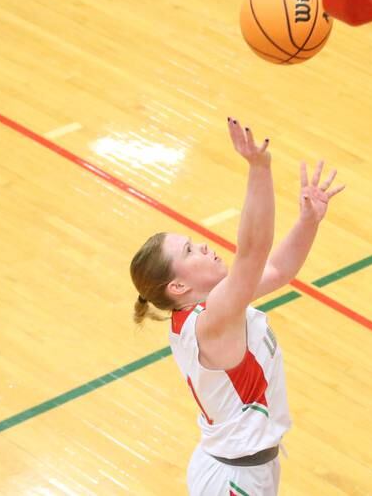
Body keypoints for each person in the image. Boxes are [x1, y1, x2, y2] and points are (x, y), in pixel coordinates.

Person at [129, 116, 344, 496]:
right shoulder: (213, 322)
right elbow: (254, 252)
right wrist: (259, 169)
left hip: (244, 467)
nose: (205, 247)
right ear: (178, 285)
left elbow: (275, 269)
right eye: (190, 251)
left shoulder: (213, 309)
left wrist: (309, 220)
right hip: (233, 480)